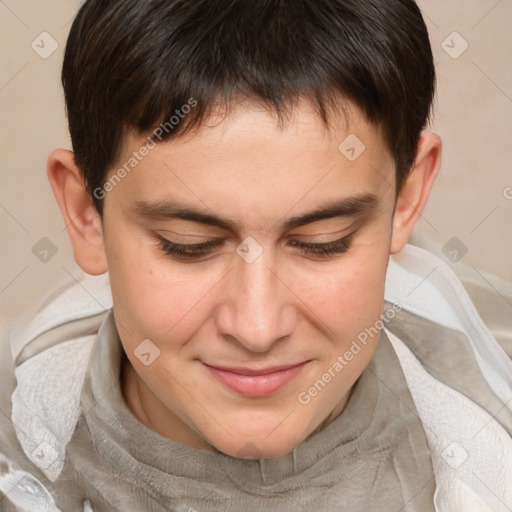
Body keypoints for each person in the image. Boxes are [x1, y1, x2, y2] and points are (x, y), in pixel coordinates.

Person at [0, 0, 511, 510]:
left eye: (323, 241)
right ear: (86, 213)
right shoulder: (22, 438)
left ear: (406, 198)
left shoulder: (488, 426)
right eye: (189, 246)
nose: (257, 327)